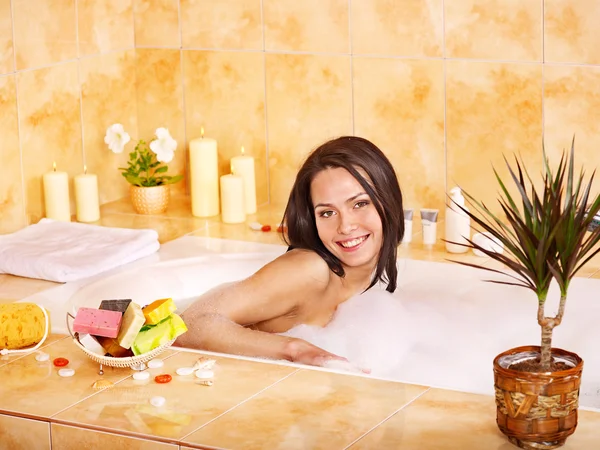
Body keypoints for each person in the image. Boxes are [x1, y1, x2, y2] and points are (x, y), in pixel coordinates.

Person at [176, 136, 404, 367]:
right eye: (327, 213)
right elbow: (188, 325)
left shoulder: (367, 281)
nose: (345, 226)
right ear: (311, 219)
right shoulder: (309, 270)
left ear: (387, 200)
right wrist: (294, 349)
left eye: (359, 204)